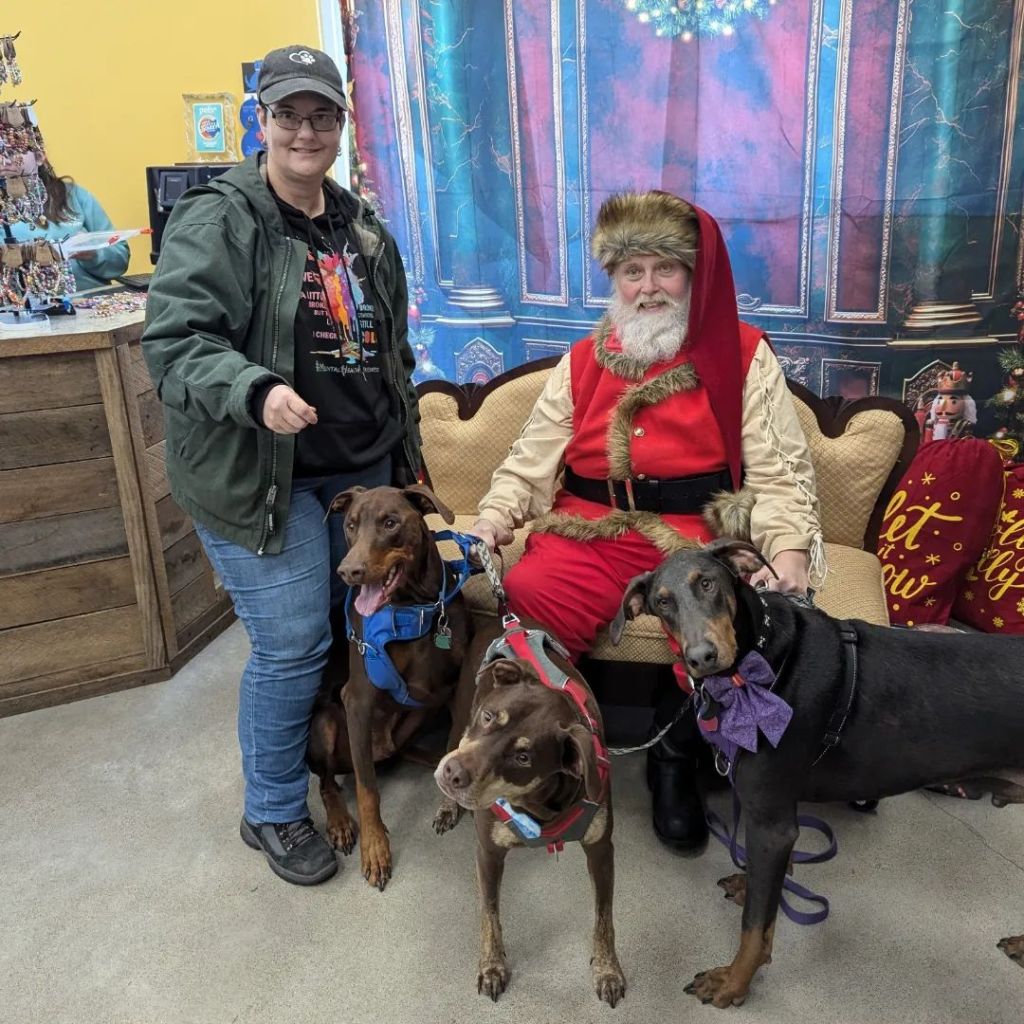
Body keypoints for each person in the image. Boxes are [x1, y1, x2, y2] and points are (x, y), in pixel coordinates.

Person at [468, 191, 824, 853]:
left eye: (665, 268)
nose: (649, 286)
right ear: (616, 279)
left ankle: (674, 761)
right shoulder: (581, 360)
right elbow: (530, 461)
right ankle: (549, 758)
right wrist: (492, 519)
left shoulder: (744, 354)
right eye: (633, 271)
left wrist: (789, 552)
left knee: (722, 620)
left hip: (695, 535)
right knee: (531, 594)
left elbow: (778, 473)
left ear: (694, 275)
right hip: (592, 527)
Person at [142, 44, 420, 886]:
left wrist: (406, 458)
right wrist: (254, 390)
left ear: (341, 124)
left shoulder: (362, 227)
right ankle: (269, 807)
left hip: (359, 468)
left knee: (353, 621)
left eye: (322, 115)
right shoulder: (220, 220)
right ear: (260, 121)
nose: (306, 131)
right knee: (296, 640)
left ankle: (344, 751)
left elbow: (393, 354)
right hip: (265, 477)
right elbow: (175, 344)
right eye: (288, 114)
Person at [6, 159, 130, 289]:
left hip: (91, 297)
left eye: (14, 151)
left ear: (39, 156)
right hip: (22, 299)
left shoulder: (74, 195)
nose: (5, 160)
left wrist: (95, 253)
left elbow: (120, 260)